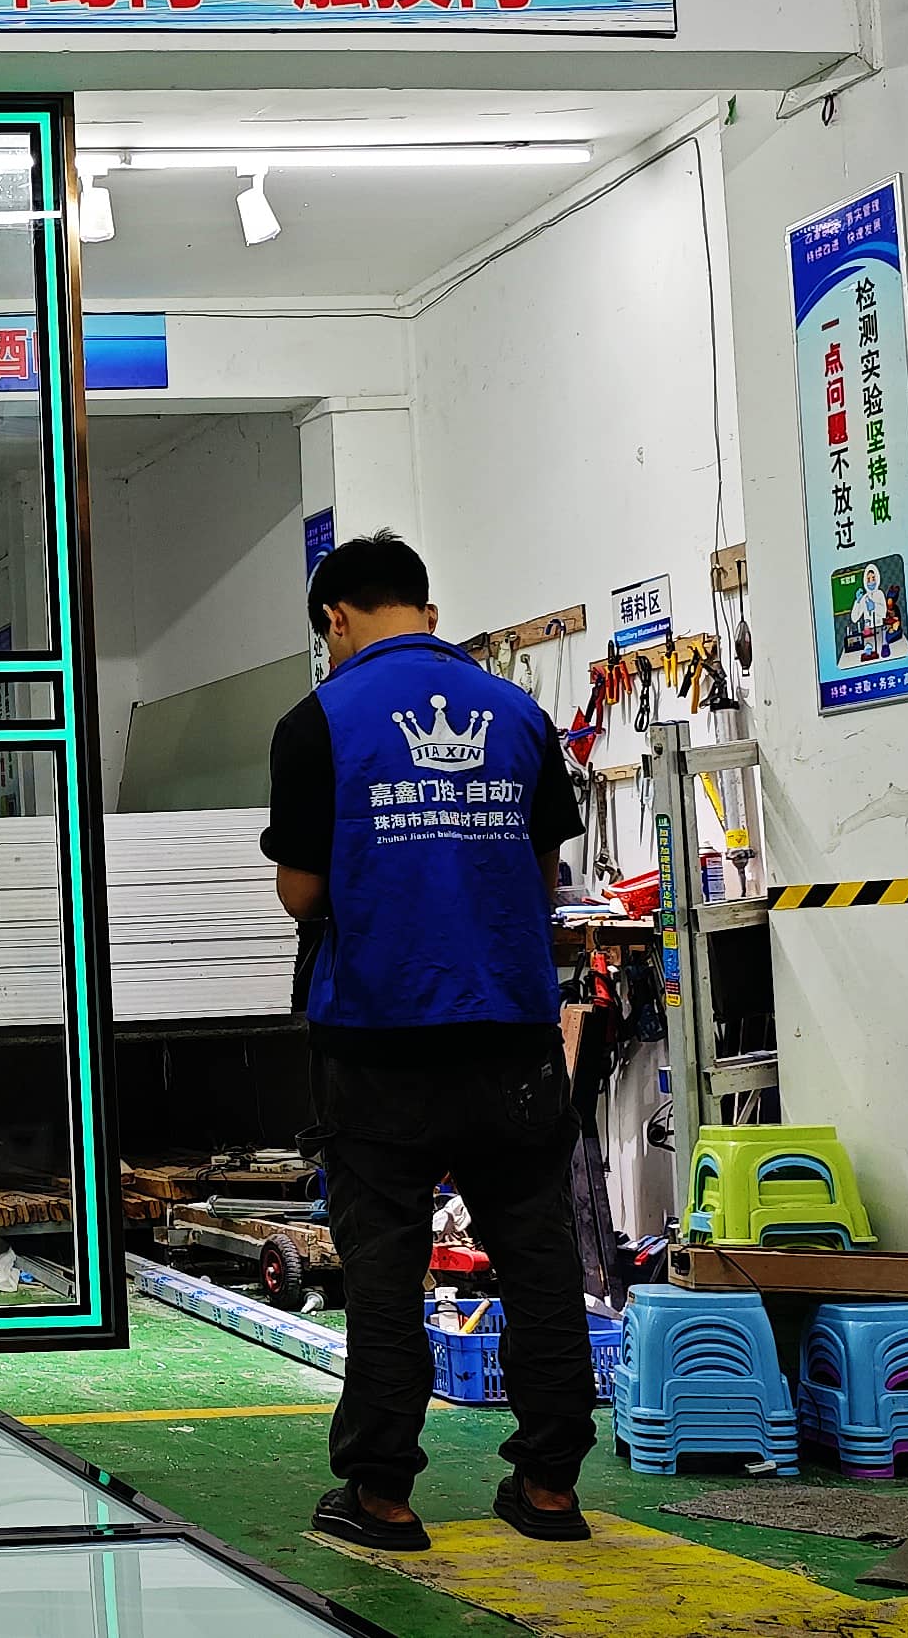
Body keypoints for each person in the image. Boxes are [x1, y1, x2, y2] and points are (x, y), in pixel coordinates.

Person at [262, 533, 597, 1551]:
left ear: (335, 619)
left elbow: (301, 891)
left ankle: (383, 1495)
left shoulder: (316, 720)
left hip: (379, 1035)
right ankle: (549, 1487)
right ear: (428, 609)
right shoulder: (520, 714)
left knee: (384, 1268)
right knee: (536, 1255)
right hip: (511, 1032)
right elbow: (541, 877)